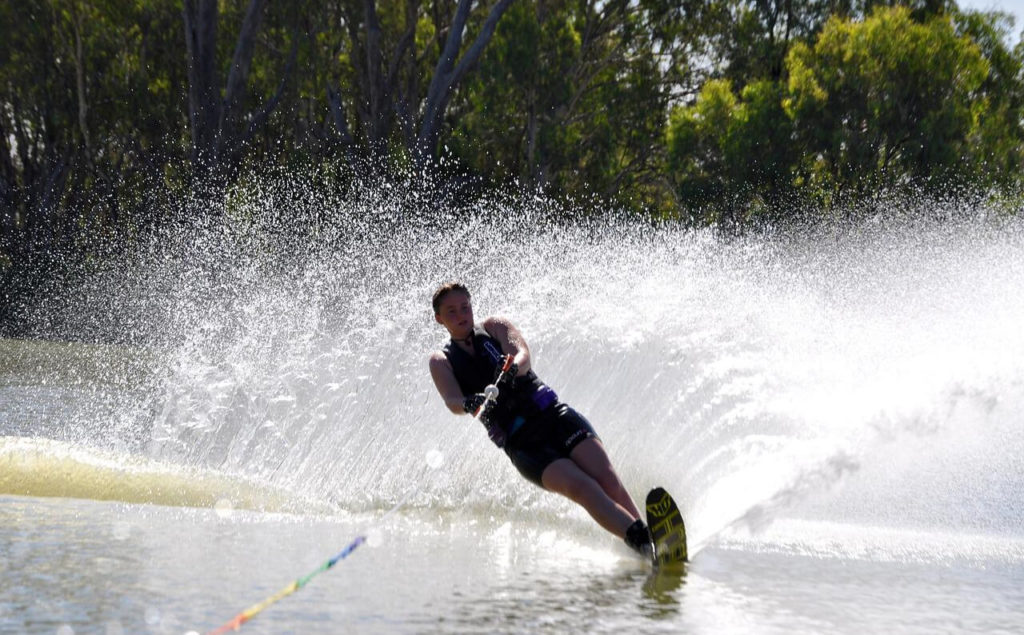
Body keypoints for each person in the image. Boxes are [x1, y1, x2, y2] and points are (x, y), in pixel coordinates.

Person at [428, 282, 654, 557]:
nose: (461, 314)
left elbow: (522, 354)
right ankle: (642, 542)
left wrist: (513, 366)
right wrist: (468, 402)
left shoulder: (494, 326)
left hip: (554, 416)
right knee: (583, 487)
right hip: (523, 444)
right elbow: (452, 401)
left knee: (607, 479)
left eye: (465, 306)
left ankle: (645, 539)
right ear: (439, 319)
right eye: (451, 311)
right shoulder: (441, 360)